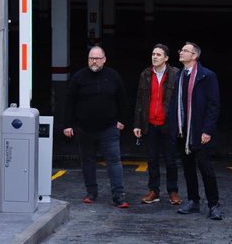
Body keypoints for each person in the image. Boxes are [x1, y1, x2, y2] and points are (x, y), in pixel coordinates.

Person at [64, 45, 130, 208]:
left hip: (109, 128)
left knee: (114, 161)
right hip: (84, 129)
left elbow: (122, 99)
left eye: (97, 58)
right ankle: (91, 192)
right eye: (91, 58)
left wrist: (122, 120)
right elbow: (69, 102)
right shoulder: (79, 77)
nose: (94, 61)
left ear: (104, 60)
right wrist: (68, 124)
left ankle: (119, 196)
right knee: (87, 162)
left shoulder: (113, 76)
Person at [168, 42, 223, 219]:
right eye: (181, 50)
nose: (181, 52)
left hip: (200, 131)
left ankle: (213, 204)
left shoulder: (207, 76)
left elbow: (213, 105)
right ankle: (193, 201)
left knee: (205, 168)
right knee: (188, 167)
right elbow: (175, 104)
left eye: (185, 51)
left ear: (195, 56)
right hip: (184, 131)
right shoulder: (179, 76)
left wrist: (207, 130)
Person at [133, 44, 182, 206]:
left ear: (166, 58)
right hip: (151, 124)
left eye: (158, 55)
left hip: (168, 124)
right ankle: (153, 191)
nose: (154, 57)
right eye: (153, 54)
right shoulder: (146, 74)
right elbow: (140, 101)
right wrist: (137, 124)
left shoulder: (176, 74)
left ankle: (173, 192)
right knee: (152, 160)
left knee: (170, 160)